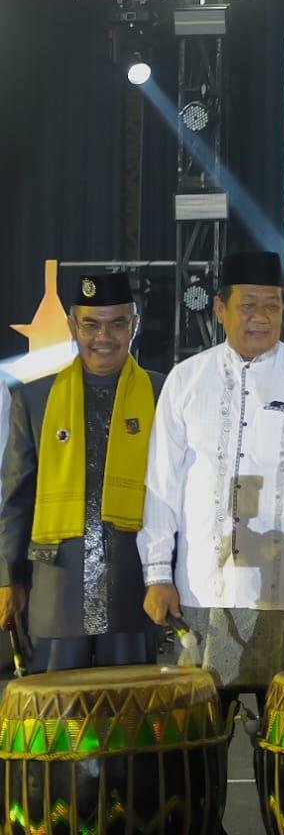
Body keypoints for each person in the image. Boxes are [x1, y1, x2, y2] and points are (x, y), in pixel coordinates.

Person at [139, 250, 284, 708]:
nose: (261, 317)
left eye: (272, 305)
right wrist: (157, 572)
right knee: (200, 731)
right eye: (248, 305)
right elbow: (161, 486)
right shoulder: (186, 380)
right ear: (220, 309)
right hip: (201, 586)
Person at [0, 271, 163, 670]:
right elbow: (17, 498)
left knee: (130, 718)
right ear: (73, 325)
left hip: (134, 585)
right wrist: (8, 578)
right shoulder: (34, 399)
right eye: (90, 324)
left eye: (116, 323)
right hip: (57, 587)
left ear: (134, 325)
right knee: (58, 721)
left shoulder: (165, 396)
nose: (102, 337)